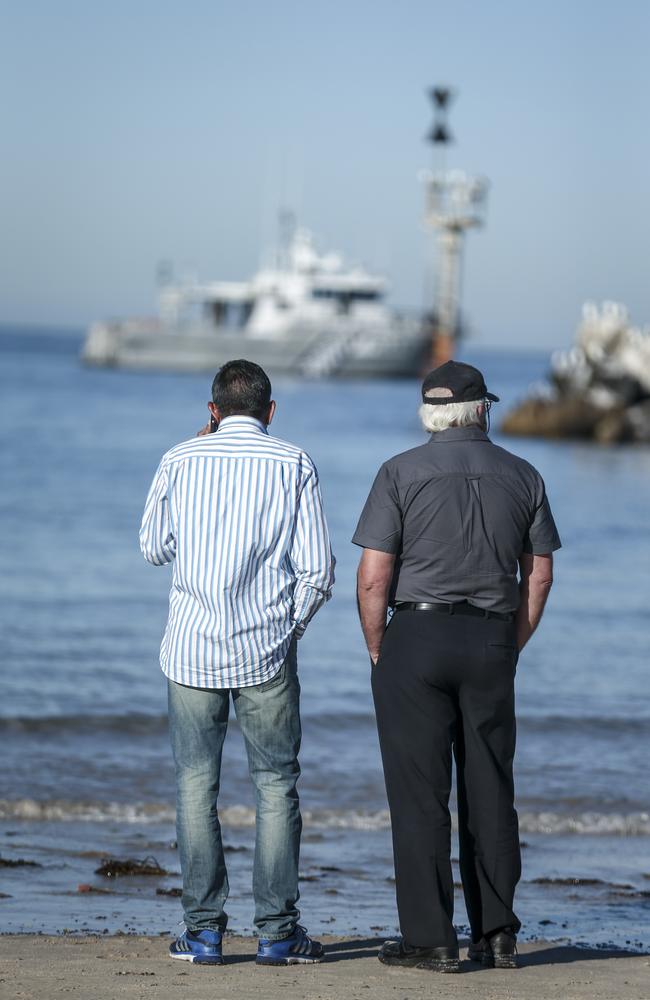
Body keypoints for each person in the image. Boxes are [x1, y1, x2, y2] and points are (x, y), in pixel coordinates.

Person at [353, 360, 561, 973]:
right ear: (483, 410)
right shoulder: (524, 474)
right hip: (492, 638)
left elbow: (372, 579)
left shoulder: (399, 472)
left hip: (414, 635)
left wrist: (377, 648)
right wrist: (511, 643)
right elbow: (540, 574)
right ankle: (496, 935)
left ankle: (430, 939)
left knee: (419, 796)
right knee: (491, 788)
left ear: (429, 414)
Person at [140, 359, 335, 967]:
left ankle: (203, 934)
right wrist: (288, 632)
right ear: (271, 411)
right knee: (276, 788)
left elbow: (153, 547)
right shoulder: (294, 463)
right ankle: (277, 934)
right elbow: (318, 573)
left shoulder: (179, 459)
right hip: (266, 653)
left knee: (196, 788)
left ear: (213, 411)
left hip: (191, 650)